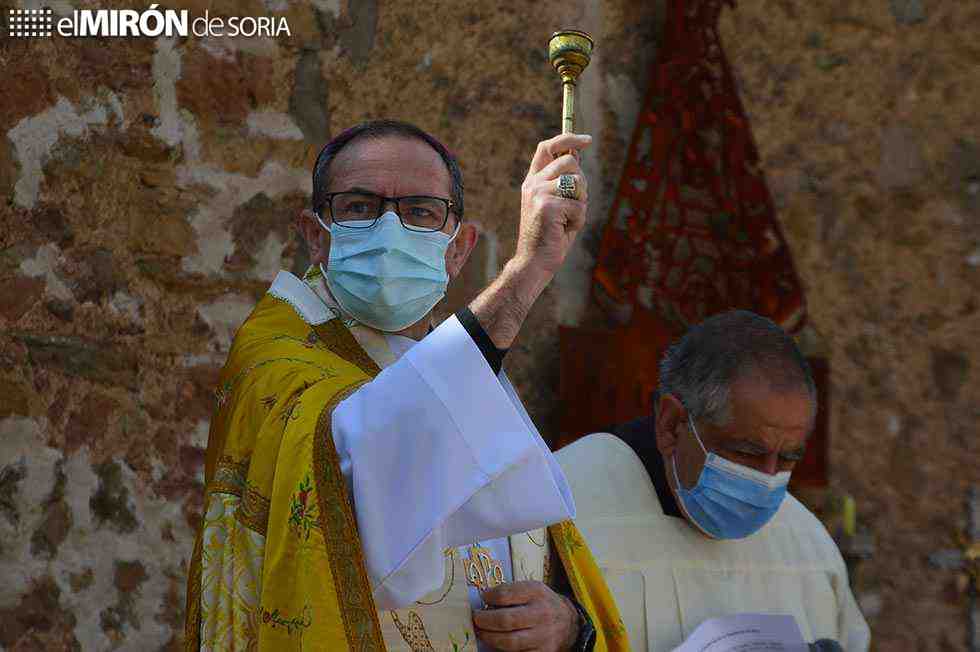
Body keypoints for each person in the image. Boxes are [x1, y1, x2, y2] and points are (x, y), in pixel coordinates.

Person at [183, 120, 628, 652]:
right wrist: (527, 272)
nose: (390, 231)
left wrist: (569, 625)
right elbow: (364, 464)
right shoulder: (275, 363)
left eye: (420, 212)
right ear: (314, 233)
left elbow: (540, 543)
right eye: (360, 207)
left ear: (459, 248)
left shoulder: (468, 366)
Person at [555, 310, 870, 651]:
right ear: (672, 424)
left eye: (788, 458)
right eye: (747, 453)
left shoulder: (808, 545)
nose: (766, 480)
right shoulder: (564, 507)